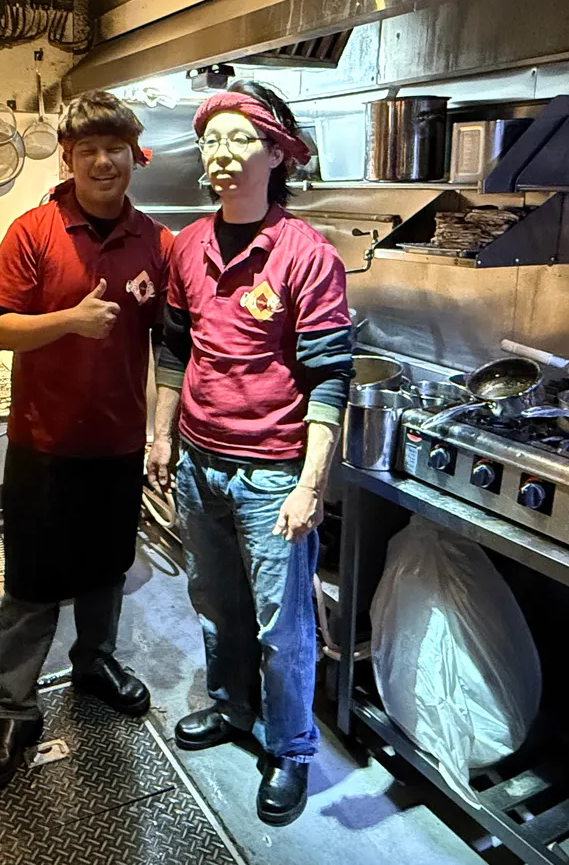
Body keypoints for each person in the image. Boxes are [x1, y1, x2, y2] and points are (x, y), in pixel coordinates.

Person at [146, 81, 353, 826]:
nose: (222, 155)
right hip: (200, 460)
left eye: (240, 140)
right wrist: (160, 434)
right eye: (211, 140)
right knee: (215, 603)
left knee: (282, 624)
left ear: (276, 152)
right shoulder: (189, 247)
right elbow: (173, 348)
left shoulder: (306, 255)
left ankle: (292, 747)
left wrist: (310, 483)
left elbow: (331, 376)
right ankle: (233, 710)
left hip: (273, 473)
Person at [0, 89, 174, 791]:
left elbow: (176, 343)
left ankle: (93, 663)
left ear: (134, 156)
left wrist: (161, 432)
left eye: (114, 148)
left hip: (118, 445)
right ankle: (15, 707)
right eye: (87, 149)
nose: (101, 161)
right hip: (43, 444)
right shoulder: (34, 231)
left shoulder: (156, 240)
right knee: (31, 584)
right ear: (68, 156)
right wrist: (67, 319)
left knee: (106, 570)